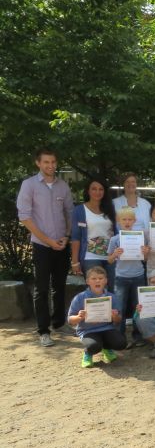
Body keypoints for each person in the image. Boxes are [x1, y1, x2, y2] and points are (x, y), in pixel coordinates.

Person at [16, 148, 74, 346]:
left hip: (62, 244)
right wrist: (48, 241)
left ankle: (59, 323)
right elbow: (25, 217)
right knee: (41, 288)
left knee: (59, 286)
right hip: (41, 245)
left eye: (54, 162)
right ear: (38, 163)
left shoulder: (63, 186)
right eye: (46, 162)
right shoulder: (29, 185)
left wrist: (66, 236)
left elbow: (69, 213)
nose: (51, 166)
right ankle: (43, 331)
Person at [67, 266, 127, 368]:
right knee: (93, 346)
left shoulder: (112, 297)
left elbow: (119, 320)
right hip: (88, 331)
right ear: (87, 281)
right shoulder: (80, 297)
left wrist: (114, 316)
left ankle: (107, 348)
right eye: (94, 279)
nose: (97, 281)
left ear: (106, 281)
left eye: (100, 278)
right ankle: (88, 354)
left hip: (107, 328)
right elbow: (70, 320)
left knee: (121, 343)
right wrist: (79, 317)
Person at [107, 206, 149, 347]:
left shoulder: (140, 237)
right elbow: (109, 260)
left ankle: (138, 336)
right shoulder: (114, 240)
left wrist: (145, 252)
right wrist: (115, 254)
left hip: (138, 276)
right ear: (118, 221)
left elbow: (145, 259)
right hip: (121, 278)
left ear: (134, 221)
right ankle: (119, 338)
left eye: (130, 219)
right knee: (120, 308)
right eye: (124, 219)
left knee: (138, 307)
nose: (127, 222)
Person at [70, 178, 116, 287]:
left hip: (110, 257)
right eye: (94, 189)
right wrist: (75, 261)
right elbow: (76, 237)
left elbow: (116, 232)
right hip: (90, 257)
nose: (97, 192)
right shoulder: (79, 210)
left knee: (111, 291)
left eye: (101, 189)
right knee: (95, 291)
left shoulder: (110, 209)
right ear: (88, 191)